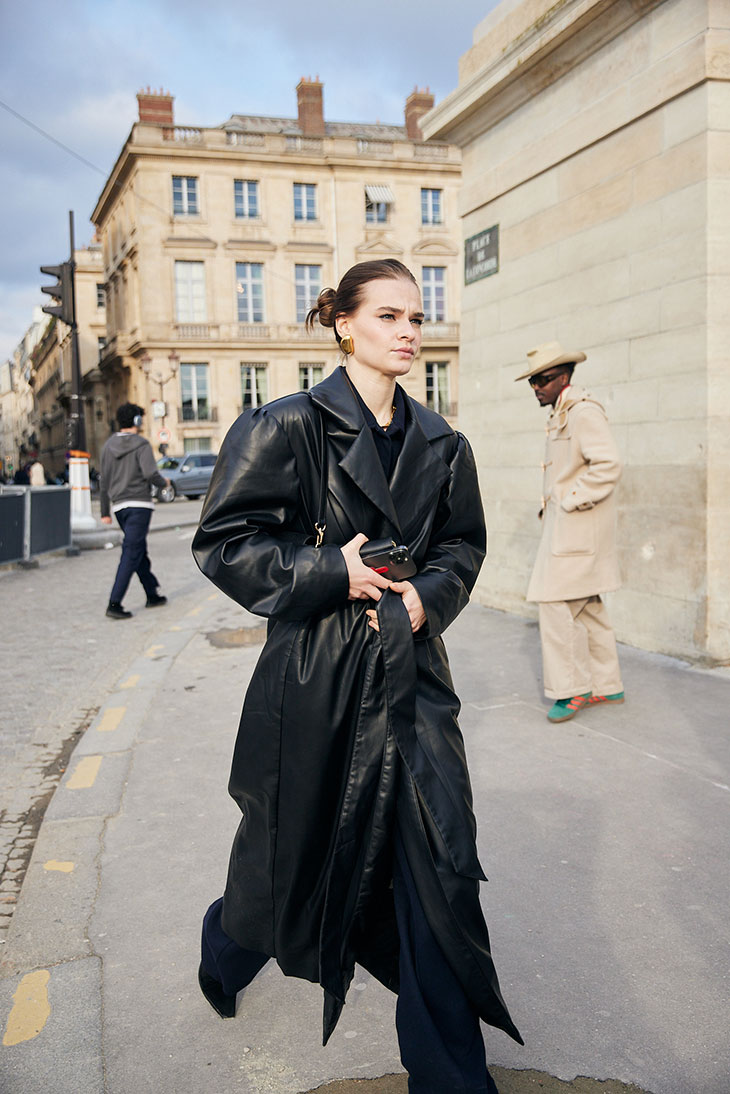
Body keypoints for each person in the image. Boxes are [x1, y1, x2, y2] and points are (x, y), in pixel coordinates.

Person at [192, 259, 521, 1093]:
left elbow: (462, 546)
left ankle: (451, 1077)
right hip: (317, 680)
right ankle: (230, 943)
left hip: (412, 681)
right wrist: (327, 573)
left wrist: (428, 600)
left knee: (437, 866)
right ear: (343, 322)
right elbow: (224, 542)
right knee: (289, 861)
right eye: (387, 316)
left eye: (415, 316)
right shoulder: (285, 425)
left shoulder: (445, 442)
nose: (408, 330)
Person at [516, 341, 624, 723]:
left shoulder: (581, 412)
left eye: (542, 379)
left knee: (554, 604)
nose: (536, 387)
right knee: (586, 604)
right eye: (532, 381)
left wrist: (568, 499)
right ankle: (607, 683)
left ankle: (572, 688)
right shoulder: (563, 411)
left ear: (562, 376)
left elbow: (608, 464)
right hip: (571, 533)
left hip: (576, 530)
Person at [100, 402, 169, 620]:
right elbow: (150, 473)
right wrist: (164, 482)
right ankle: (114, 603)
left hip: (120, 507)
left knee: (137, 548)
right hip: (140, 505)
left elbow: (104, 482)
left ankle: (152, 593)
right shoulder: (141, 444)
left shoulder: (108, 446)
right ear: (137, 421)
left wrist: (104, 511)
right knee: (131, 551)